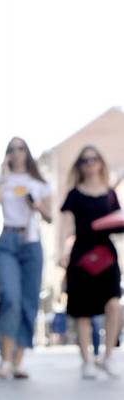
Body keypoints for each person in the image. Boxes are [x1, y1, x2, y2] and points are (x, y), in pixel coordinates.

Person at [0, 137, 52, 379]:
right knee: (11, 298)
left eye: (21, 148)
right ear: (7, 154)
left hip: (32, 242)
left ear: (27, 152)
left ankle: (18, 361)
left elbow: (50, 216)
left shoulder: (38, 183)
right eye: (11, 149)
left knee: (28, 303)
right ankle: (4, 359)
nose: (16, 152)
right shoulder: (2, 181)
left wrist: (37, 206)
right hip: (8, 240)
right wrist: (3, 176)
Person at [60, 146, 121, 378]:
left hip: (106, 253)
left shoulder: (109, 193)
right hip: (81, 254)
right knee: (83, 310)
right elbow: (66, 224)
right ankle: (87, 361)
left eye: (94, 159)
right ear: (79, 165)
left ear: (100, 162)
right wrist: (62, 250)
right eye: (84, 160)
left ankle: (108, 357)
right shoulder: (74, 194)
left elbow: (118, 218)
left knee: (113, 304)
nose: (90, 164)